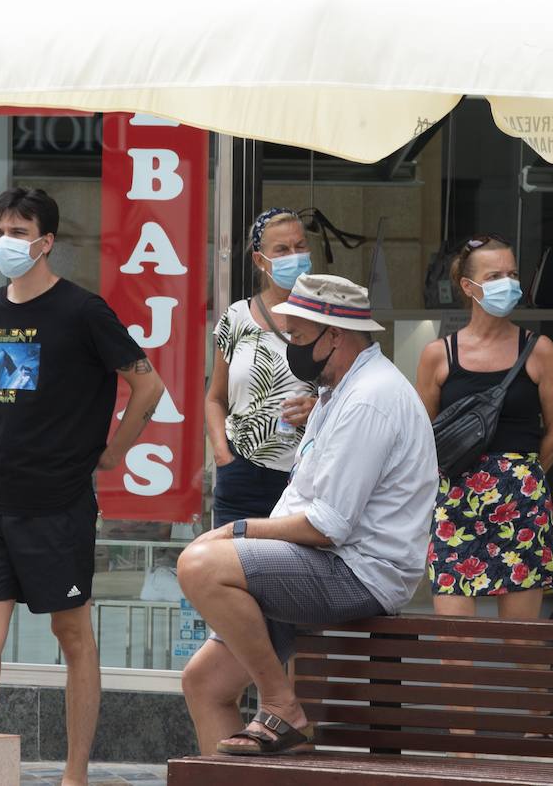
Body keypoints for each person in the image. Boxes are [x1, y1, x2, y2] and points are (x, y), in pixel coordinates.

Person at [178, 275, 437, 756]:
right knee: (204, 683)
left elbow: (326, 525)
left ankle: (281, 706)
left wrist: (236, 531)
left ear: (334, 334)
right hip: (327, 563)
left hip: (359, 574)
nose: (291, 348)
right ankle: (279, 725)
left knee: (200, 565)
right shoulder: (337, 390)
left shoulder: (369, 399)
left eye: (297, 336)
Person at [0, 189, 166, 786]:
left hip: (60, 503)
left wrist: (114, 452)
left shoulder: (84, 312)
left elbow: (146, 386)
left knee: (72, 634)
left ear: (46, 242)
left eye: (19, 231)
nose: (6, 241)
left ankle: (74, 775)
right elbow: (4, 395)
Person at [415, 235, 553, 619]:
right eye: (496, 275)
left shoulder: (539, 349)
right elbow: (420, 438)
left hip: (520, 505)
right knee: (456, 649)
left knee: (521, 646)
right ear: (469, 287)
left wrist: (522, 476)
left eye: (513, 273)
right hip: (455, 504)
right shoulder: (438, 355)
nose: (508, 283)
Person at [204, 208, 318, 526]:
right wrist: (221, 454)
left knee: (295, 573)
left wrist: (318, 407)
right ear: (259, 260)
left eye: (300, 246)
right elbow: (215, 398)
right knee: (232, 568)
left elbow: (352, 396)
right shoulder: (237, 318)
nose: (293, 256)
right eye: (281, 250)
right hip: (241, 473)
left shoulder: (327, 317)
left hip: (308, 474)